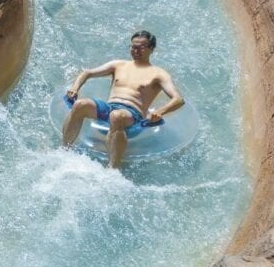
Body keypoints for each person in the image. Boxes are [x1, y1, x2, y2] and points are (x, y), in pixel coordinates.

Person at [61, 30, 184, 168]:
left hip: (133, 115)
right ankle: (64, 150)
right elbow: (87, 73)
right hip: (109, 107)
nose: (135, 50)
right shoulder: (118, 65)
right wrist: (74, 88)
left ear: (151, 49)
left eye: (140, 47)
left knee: (117, 116)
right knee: (80, 104)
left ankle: (112, 169)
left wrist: (160, 112)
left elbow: (178, 99)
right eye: (133, 46)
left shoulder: (159, 74)